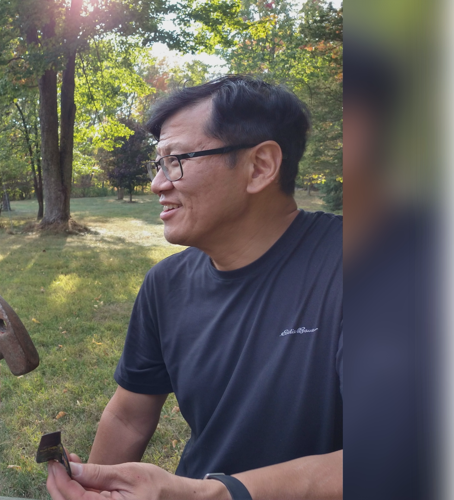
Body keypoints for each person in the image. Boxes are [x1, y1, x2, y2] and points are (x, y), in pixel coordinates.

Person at [47, 76, 342, 500]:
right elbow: (129, 416)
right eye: (158, 163)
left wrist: (211, 495)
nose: (158, 184)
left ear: (259, 167)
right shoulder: (166, 284)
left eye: (177, 160)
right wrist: (93, 485)